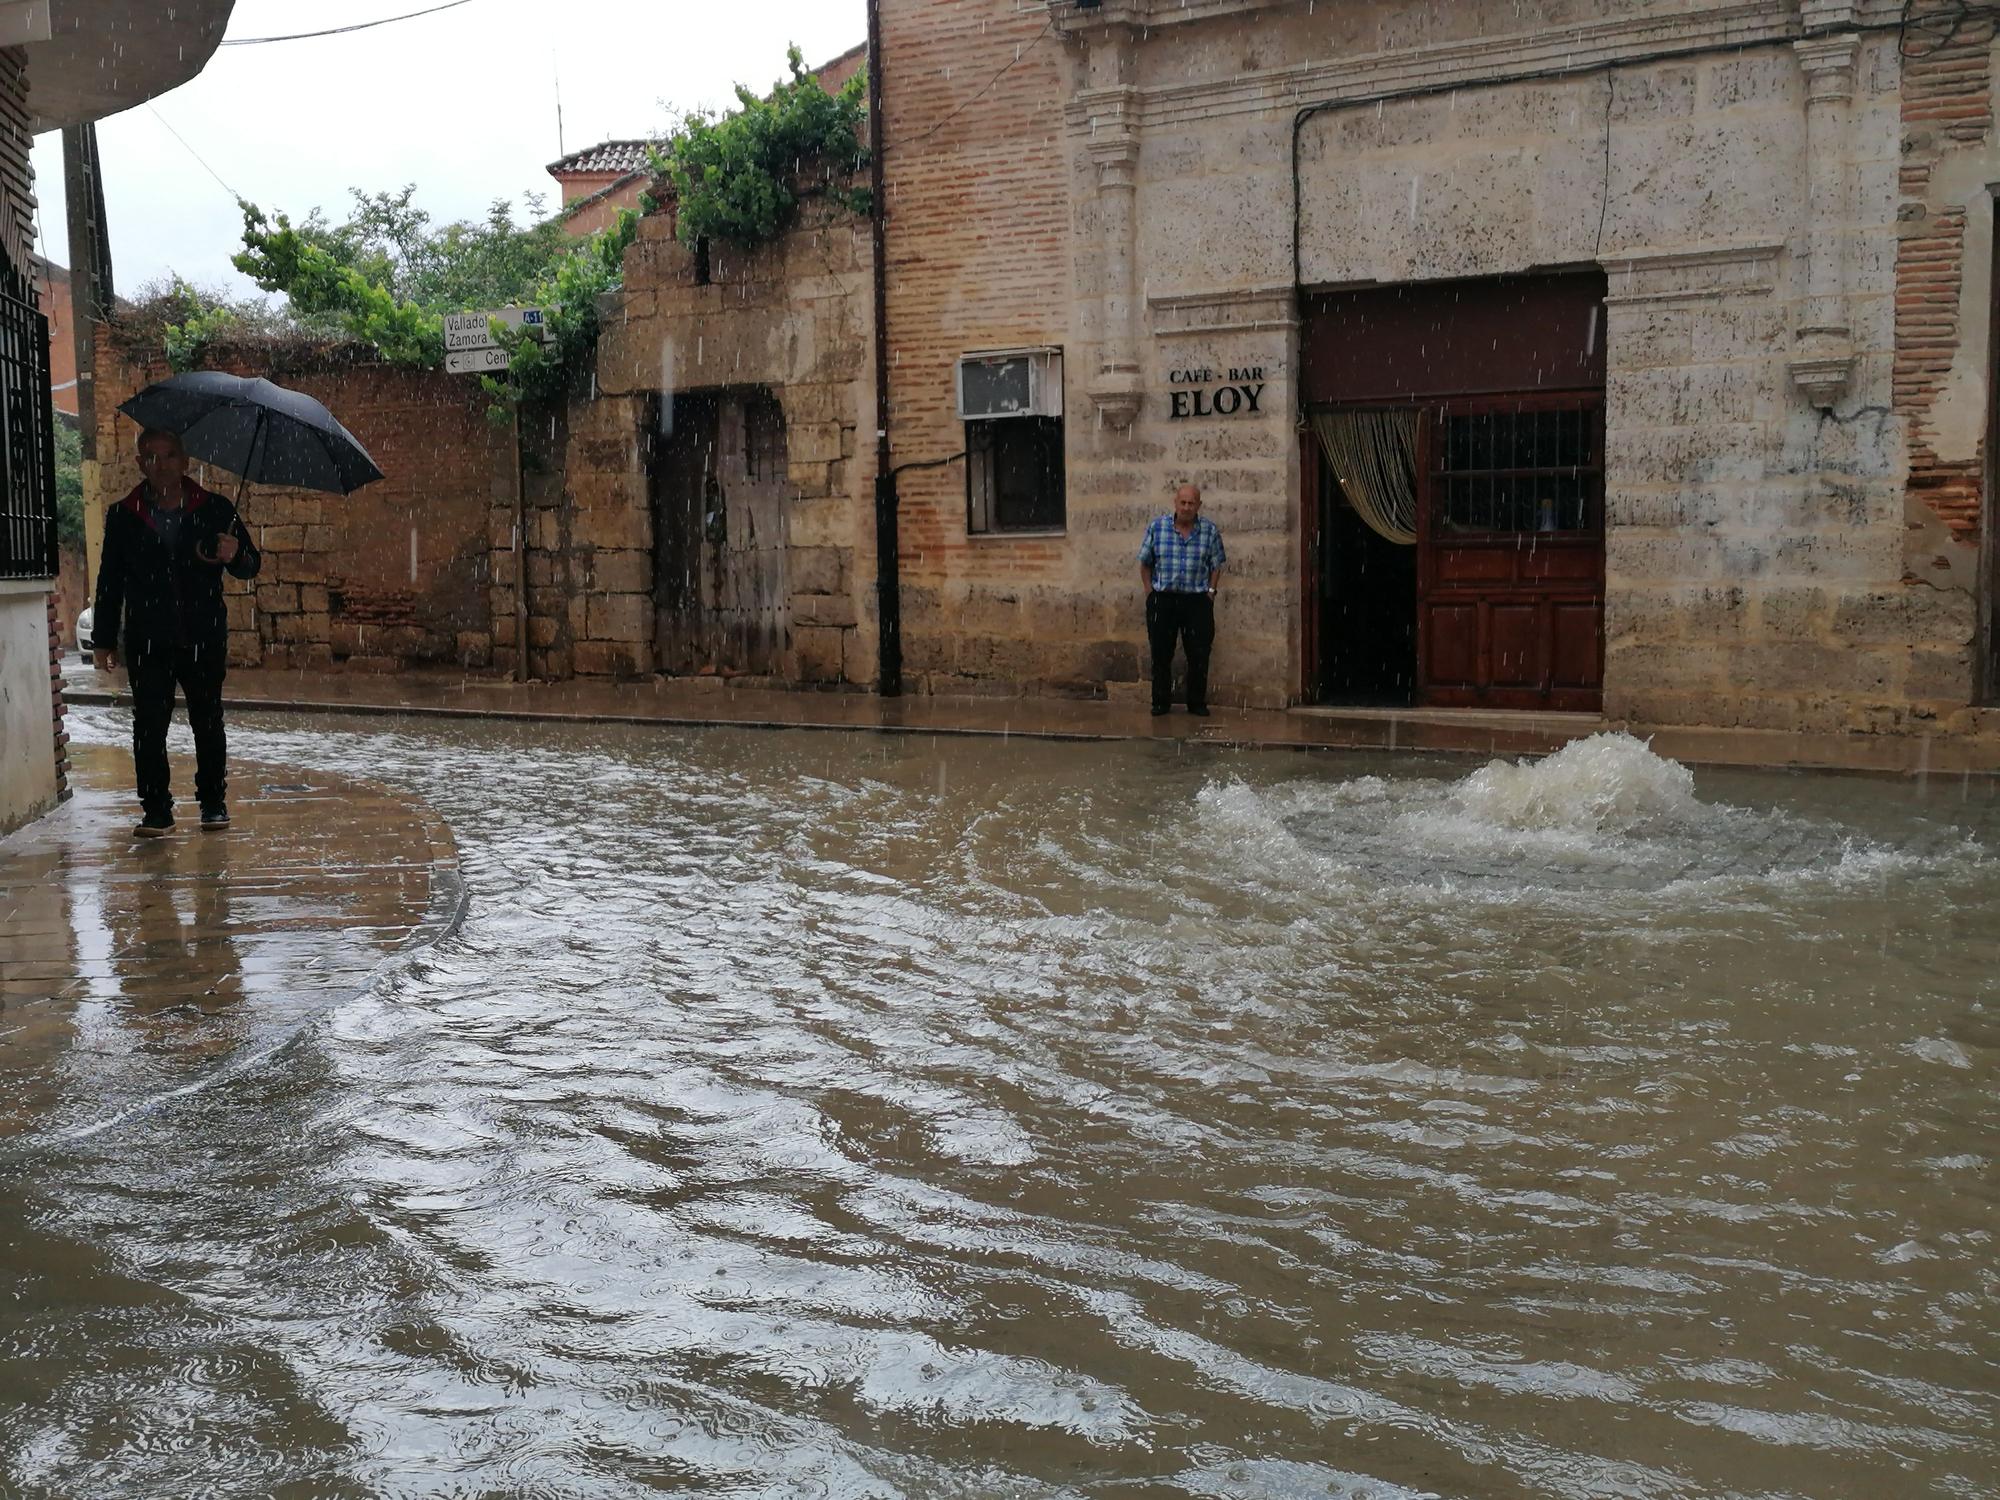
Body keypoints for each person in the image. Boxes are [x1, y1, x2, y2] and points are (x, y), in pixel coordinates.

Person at [92, 428, 261, 837]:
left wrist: (234, 553)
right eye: (150, 457)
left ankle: (213, 803)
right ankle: (156, 809)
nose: (160, 465)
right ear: (139, 464)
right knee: (149, 725)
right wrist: (102, 639)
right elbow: (110, 580)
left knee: (208, 720)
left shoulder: (217, 509)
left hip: (203, 634)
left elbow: (251, 564)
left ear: (185, 462)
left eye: (169, 456)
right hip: (148, 638)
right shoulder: (123, 515)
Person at [1137, 482, 1226, 716]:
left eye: (1191, 503)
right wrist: (1150, 593)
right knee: (1161, 654)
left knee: (1198, 654)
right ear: (1175, 503)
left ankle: (1196, 703)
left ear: (1199, 505)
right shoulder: (1157, 528)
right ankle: (1160, 703)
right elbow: (1145, 563)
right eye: (1183, 502)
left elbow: (1217, 565)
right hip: (1163, 599)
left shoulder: (1209, 531)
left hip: (1197, 601)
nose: (1187, 507)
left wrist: (1210, 593)